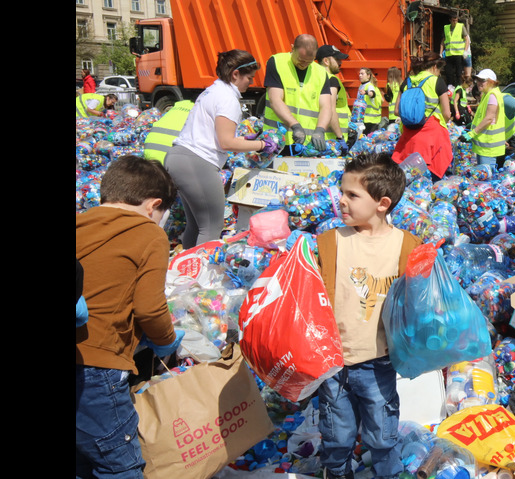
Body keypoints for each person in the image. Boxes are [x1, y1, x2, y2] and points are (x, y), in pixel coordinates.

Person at [315, 153, 422, 479]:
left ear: (382, 203)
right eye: (341, 192)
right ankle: (336, 472)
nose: (342, 201)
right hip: (335, 363)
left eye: (352, 195)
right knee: (337, 433)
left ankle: (387, 474)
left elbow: (417, 305)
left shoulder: (407, 246)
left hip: (379, 362)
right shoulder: (330, 243)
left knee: (383, 432)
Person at [76, 155, 184, 478]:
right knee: (120, 465)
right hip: (101, 370)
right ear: (154, 206)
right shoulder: (150, 235)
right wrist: (166, 340)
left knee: (83, 457)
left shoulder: (81, 225)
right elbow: (150, 307)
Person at [166, 50, 277, 247]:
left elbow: (215, 135)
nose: (250, 83)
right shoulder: (228, 98)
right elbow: (227, 143)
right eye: (249, 78)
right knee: (211, 227)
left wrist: (243, 139)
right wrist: (262, 145)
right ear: (235, 74)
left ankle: (186, 272)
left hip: (179, 157)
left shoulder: (212, 91)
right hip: (197, 162)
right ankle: (200, 276)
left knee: (196, 225)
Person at [262, 35, 337, 155]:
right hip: (276, 141)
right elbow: (275, 99)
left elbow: (326, 106)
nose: (304, 65)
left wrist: (320, 130)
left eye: (309, 61)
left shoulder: (321, 73)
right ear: (292, 48)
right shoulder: (277, 62)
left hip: (307, 145)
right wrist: (294, 125)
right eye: (301, 60)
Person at [391, 52, 453, 180]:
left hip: (409, 134)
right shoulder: (437, 81)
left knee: (409, 179)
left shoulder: (407, 82)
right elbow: (447, 113)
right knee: (432, 179)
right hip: (432, 136)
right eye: (439, 70)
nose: (439, 73)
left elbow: (396, 111)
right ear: (435, 66)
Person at [464, 69, 507, 167]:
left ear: (491, 82)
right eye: (478, 80)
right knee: (484, 176)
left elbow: (489, 118)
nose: (479, 83)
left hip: (488, 146)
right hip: (485, 146)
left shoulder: (492, 95)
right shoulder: (488, 94)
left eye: (482, 80)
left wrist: (472, 133)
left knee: (486, 177)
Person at [317, 44, 352, 148]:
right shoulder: (332, 80)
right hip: (332, 141)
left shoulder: (315, 78)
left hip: (320, 136)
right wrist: (340, 137)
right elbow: (330, 109)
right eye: (337, 59)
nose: (340, 63)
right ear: (326, 61)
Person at [440, 12, 469, 86]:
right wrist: (440, 53)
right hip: (449, 55)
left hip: (458, 54)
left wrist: (465, 51)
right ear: (450, 20)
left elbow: (467, 40)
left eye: (456, 20)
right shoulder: (446, 28)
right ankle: (450, 89)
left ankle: (458, 89)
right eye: (453, 20)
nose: (455, 22)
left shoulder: (461, 26)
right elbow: (442, 41)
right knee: (448, 73)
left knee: (458, 74)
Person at [354, 67, 384, 135]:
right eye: (359, 74)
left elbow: (372, 93)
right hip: (364, 118)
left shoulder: (369, 85)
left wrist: (366, 92)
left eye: (362, 74)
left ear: (368, 76)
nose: (360, 75)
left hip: (370, 120)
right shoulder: (361, 86)